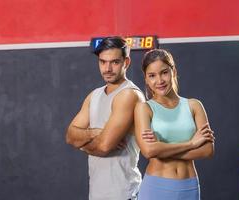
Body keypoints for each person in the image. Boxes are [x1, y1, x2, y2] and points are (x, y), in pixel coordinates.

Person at [66, 36, 144, 200]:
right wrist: (95, 132)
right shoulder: (94, 95)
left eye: (114, 62)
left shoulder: (129, 95)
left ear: (126, 62)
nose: (107, 68)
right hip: (97, 193)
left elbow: (103, 147)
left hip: (123, 194)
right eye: (103, 62)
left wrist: (82, 143)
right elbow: (70, 136)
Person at [134, 49, 215, 200]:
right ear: (145, 79)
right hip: (156, 187)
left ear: (173, 71)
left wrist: (162, 149)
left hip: (189, 187)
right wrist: (191, 143)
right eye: (152, 76)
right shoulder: (144, 109)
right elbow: (149, 151)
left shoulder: (194, 105)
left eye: (164, 72)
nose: (159, 80)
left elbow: (207, 150)